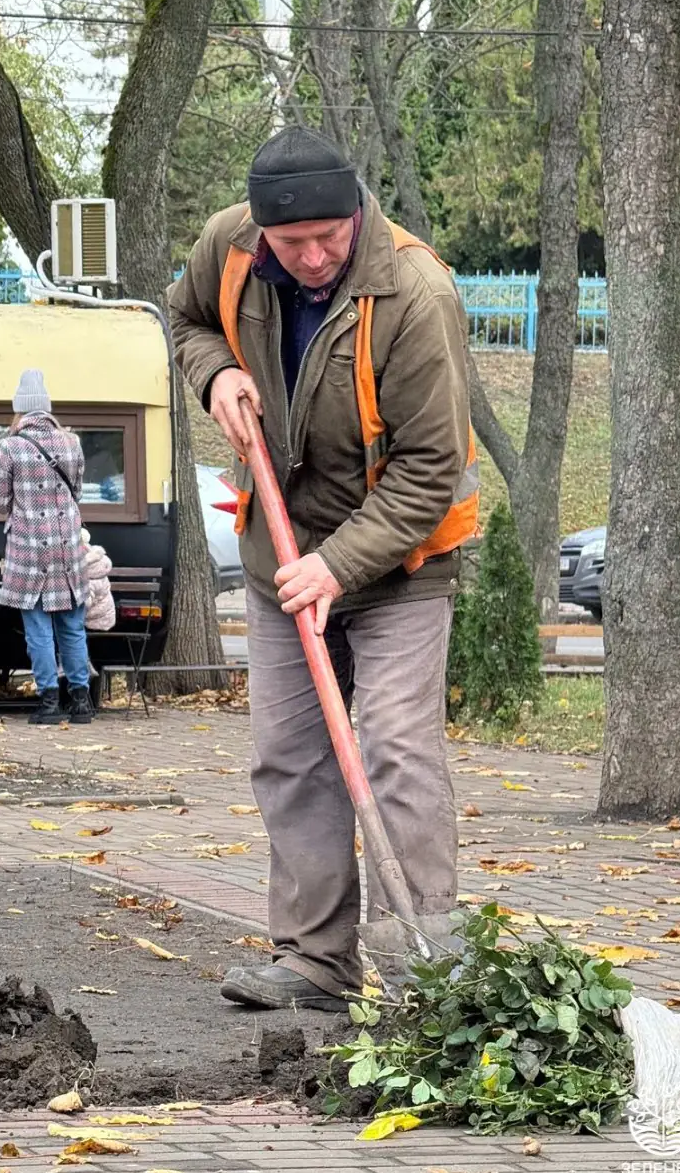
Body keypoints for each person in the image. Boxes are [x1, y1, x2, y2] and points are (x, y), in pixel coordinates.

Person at [169, 126, 479, 1014]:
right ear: (260, 230)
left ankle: (429, 971)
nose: (310, 257)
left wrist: (337, 565)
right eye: (290, 243)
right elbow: (184, 318)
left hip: (402, 565)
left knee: (395, 751)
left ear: (355, 212)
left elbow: (430, 468)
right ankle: (313, 961)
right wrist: (215, 373)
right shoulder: (228, 250)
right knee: (291, 756)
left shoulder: (415, 293)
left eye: (327, 238)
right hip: (282, 551)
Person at [0, 369, 94, 726]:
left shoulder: (11, 446)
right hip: (68, 547)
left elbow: (0, 500)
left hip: (29, 550)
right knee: (72, 626)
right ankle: (81, 702)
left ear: (20, 409)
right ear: (47, 407)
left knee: (38, 629)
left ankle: (49, 702)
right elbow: (77, 491)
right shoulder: (72, 443)